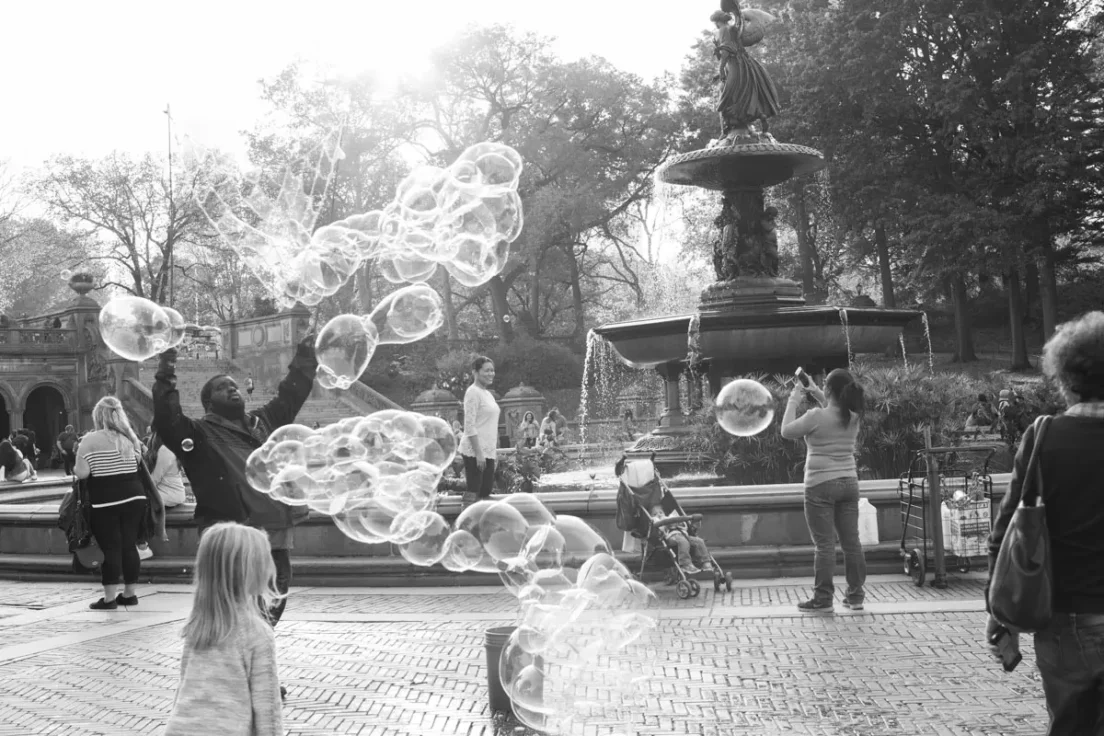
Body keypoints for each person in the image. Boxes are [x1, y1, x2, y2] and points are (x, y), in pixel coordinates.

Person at [986, 312, 1104, 734]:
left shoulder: (1044, 437)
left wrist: (999, 612)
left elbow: (1006, 531)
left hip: (1066, 618)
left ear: (1065, 377)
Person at [152, 335, 317, 627]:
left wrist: (306, 354)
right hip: (233, 534)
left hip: (274, 531)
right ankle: (240, 644)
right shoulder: (199, 433)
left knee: (274, 598)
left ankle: (257, 642)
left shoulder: (264, 421)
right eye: (221, 387)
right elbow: (167, 418)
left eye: (234, 385)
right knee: (234, 606)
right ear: (208, 403)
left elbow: (291, 394)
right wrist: (166, 369)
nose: (231, 388)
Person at [164, 522, 283, 736]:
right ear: (247, 571)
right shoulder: (256, 633)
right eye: (264, 561)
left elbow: (184, 690)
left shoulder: (199, 625)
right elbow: (268, 710)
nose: (270, 568)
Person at [781, 368, 867, 612]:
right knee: (852, 543)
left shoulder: (816, 416)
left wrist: (795, 398)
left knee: (824, 545)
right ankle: (856, 597)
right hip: (849, 483)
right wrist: (817, 391)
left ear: (829, 390)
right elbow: (833, 409)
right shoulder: (854, 416)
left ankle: (823, 599)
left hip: (820, 485)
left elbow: (786, 431)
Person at [74, 396, 150, 610]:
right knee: (129, 546)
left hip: (105, 501)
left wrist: (77, 466)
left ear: (98, 416)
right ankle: (130, 595)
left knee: (110, 547)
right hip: (135, 497)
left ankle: (109, 599)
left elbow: (82, 473)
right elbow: (137, 464)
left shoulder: (89, 440)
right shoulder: (130, 438)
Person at [711, 4, 780, 137]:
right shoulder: (733, 28)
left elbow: (726, 49)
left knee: (727, 94)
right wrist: (721, 70)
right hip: (745, 64)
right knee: (743, 90)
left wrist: (721, 69)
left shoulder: (722, 30)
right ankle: (754, 117)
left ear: (717, 21)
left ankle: (727, 129)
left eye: (715, 23)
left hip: (734, 64)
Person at [459, 356, 500, 505]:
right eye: (487, 370)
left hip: (487, 450)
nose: (491, 374)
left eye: (492, 370)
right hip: (474, 450)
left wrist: (493, 452)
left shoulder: (488, 394)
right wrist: (479, 454)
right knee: (474, 490)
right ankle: (465, 516)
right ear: (475, 372)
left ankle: (479, 519)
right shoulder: (473, 392)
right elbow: (469, 425)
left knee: (486, 490)